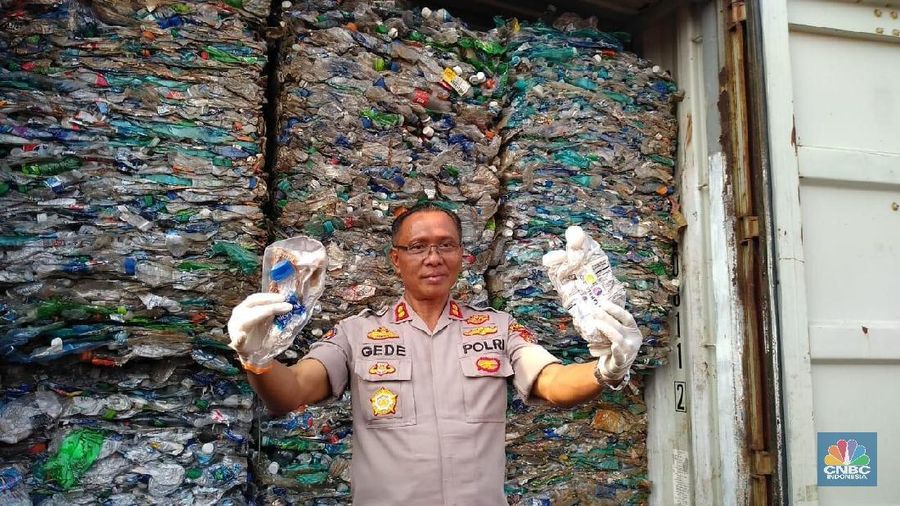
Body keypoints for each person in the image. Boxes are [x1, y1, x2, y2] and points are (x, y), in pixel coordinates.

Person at [228, 202, 643, 505]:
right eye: (418, 246)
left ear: (462, 256)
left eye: (446, 245)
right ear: (396, 259)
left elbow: (553, 381)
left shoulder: (497, 328)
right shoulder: (357, 333)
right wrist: (257, 361)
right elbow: (292, 391)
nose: (433, 258)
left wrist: (605, 369)